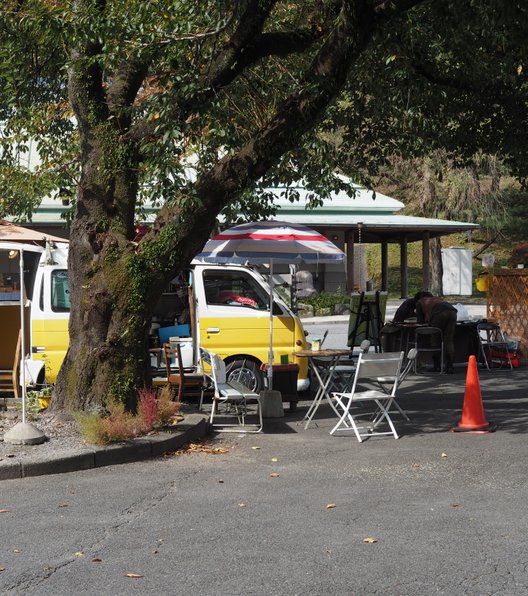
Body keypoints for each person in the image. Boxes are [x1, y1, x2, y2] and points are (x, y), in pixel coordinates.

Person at [415, 292, 457, 373]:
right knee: (449, 340)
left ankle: (437, 366)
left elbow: (420, 322)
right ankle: (450, 366)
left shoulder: (420, 302)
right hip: (452, 312)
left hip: (439, 314)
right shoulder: (437, 299)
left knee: (435, 339)